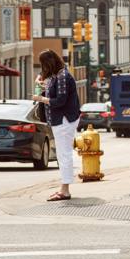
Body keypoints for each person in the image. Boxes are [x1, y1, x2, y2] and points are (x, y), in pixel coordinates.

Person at [32, 49, 81, 201]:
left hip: (64, 120)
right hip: (60, 120)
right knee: (61, 154)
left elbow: (60, 101)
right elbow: (41, 73)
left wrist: (41, 99)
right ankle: (63, 188)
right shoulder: (56, 75)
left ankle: (65, 191)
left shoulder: (62, 77)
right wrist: (38, 80)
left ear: (49, 63)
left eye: (43, 64)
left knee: (64, 155)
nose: (42, 69)